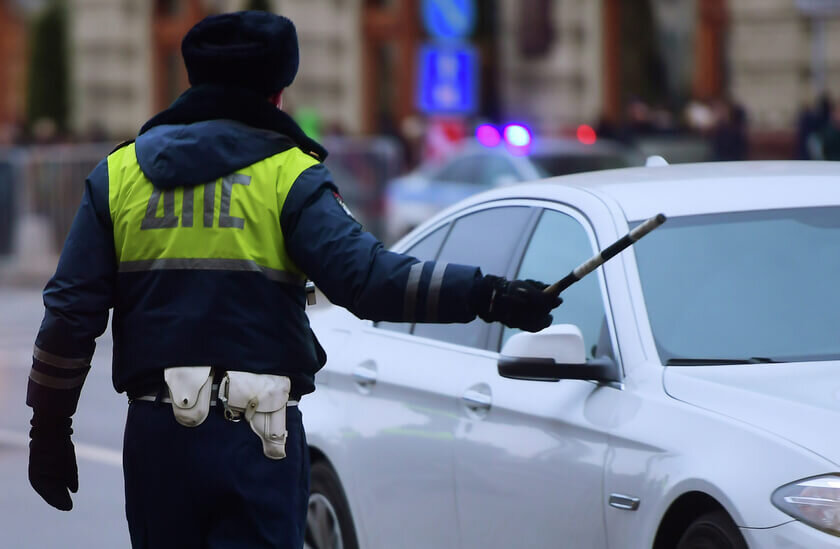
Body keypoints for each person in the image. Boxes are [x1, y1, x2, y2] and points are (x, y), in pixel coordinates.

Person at [25, 11, 561, 549]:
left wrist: (48, 430)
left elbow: (69, 317)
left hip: (158, 443)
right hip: (259, 444)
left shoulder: (119, 176)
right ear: (277, 93)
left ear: (194, 80)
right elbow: (368, 279)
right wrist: (488, 294)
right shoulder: (289, 176)